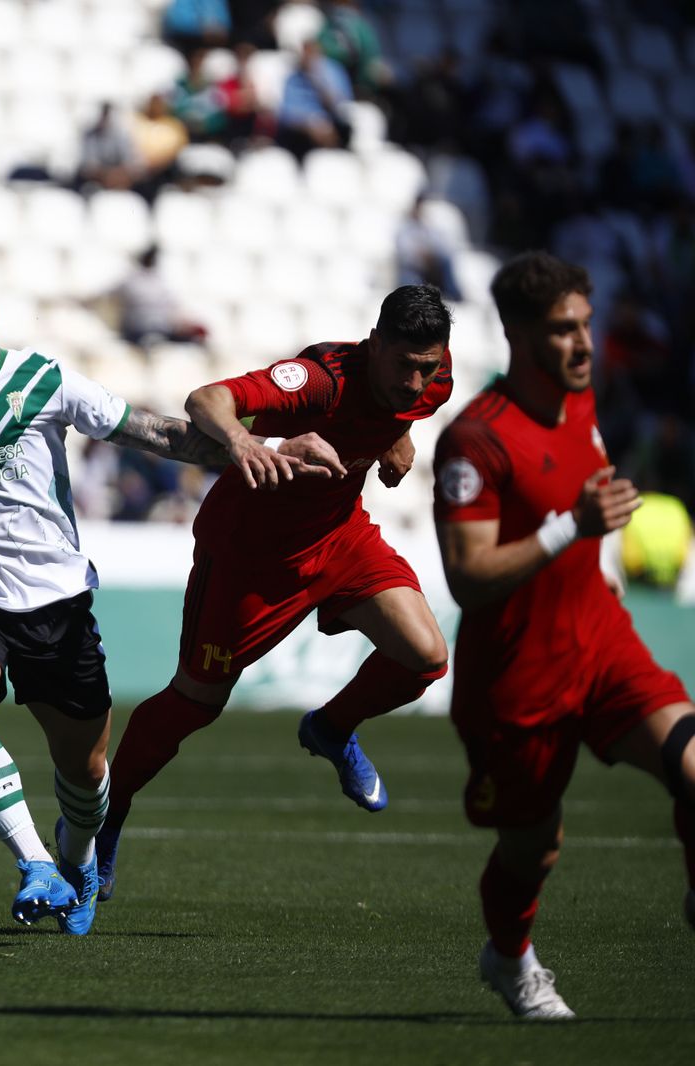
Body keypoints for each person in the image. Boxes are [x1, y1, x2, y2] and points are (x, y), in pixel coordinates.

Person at [0, 250, 343, 935]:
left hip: (55, 605)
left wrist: (256, 444)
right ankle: (35, 864)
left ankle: (78, 856)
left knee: (86, 773)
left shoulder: (43, 381)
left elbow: (157, 433)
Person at [96, 285, 456, 901]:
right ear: (374, 346)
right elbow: (205, 399)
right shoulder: (316, 380)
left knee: (425, 655)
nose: (417, 382)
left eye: (426, 368)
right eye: (404, 366)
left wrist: (399, 436)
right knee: (196, 703)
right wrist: (241, 443)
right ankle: (104, 819)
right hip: (248, 558)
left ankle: (333, 728)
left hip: (339, 539)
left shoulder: (431, 377)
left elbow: (399, 411)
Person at [431, 251, 694, 1019]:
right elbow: (467, 576)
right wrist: (568, 529)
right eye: (561, 331)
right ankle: (509, 959)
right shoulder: (475, 441)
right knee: (532, 849)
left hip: (602, 643)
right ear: (516, 334)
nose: (582, 344)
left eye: (585, 324)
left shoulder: (582, 403)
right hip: (515, 679)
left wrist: (591, 552)